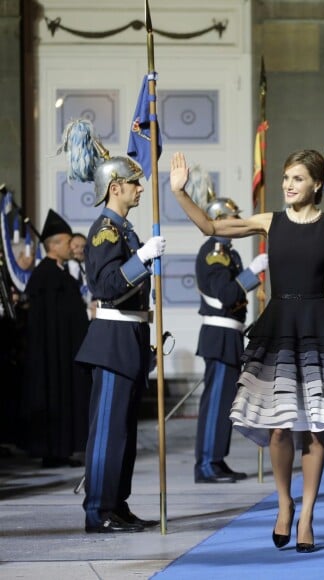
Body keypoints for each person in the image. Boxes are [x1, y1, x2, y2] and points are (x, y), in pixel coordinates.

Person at [170, 149, 324, 553]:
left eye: (297, 178)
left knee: (315, 427)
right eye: (285, 178)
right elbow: (210, 225)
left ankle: (308, 515)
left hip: (318, 328)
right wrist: (180, 193)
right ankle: (284, 503)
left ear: (317, 184)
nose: (288, 185)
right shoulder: (269, 222)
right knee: (279, 425)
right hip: (278, 328)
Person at [61, 120, 166, 533]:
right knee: (106, 431)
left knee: (122, 432)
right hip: (112, 338)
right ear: (114, 188)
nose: (140, 188)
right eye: (134, 183)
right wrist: (140, 260)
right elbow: (103, 285)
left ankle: (117, 505)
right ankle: (98, 510)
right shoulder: (105, 232)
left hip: (130, 336)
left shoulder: (125, 229)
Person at [194, 196, 268, 484]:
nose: (238, 222)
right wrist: (253, 272)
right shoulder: (215, 252)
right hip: (219, 333)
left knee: (225, 402)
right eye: (232, 218)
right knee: (215, 403)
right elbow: (226, 294)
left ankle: (216, 459)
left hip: (230, 333)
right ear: (219, 221)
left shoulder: (228, 252)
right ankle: (206, 464)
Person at [23, 209, 91, 467]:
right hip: (52, 352)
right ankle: (52, 451)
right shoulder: (46, 275)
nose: (70, 246)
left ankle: (62, 450)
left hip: (65, 349)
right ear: (53, 245)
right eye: (65, 242)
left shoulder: (60, 272)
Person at [67, 232, 96, 319]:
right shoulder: (62, 271)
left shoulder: (93, 269)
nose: (80, 250)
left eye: (83, 246)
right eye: (76, 246)